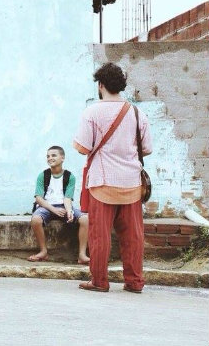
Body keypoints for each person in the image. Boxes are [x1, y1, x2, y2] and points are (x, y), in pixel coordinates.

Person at [74, 62, 152, 293]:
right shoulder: (137, 113)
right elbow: (146, 148)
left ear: (100, 85)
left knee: (100, 236)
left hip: (102, 183)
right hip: (131, 183)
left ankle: (99, 280)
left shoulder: (92, 112)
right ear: (121, 86)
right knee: (133, 236)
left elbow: (82, 147)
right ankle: (134, 282)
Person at [28, 146, 90, 264]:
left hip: (63, 206)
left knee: (85, 219)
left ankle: (82, 255)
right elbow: (39, 198)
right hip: (46, 207)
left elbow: (67, 198)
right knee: (36, 220)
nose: (50, 158)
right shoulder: (43, 175)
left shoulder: (69, 176)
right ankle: (43, 251)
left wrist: (69, 211)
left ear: (62, 158)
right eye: (48, 156)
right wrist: (53, 210)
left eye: (53, 155)